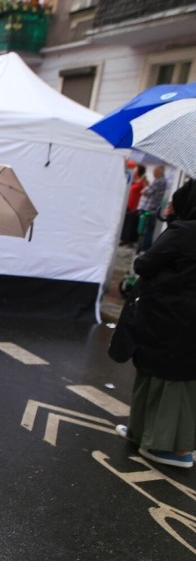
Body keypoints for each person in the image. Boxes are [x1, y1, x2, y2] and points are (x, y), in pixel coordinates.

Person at [115, 178, 196, 469]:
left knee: (157, 377)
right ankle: (161, 440)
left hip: (167, 318)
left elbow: (144, 265)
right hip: (189, 326)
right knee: (181, 383)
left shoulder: (183, 231)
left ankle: (162, 445)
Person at [136, 165, 168, 253]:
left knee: (146, 230)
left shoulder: (158, 181)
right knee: (149, 229)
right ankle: (145, 247)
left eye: (154, 171)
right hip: (154, 208)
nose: (153, 173)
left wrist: (144, 187)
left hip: (150, 208)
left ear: (158, 172)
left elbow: (146, 192)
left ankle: (144, 248)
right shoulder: (162, 181)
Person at [121, 164, 147, 247]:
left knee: (131, 224)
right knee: (126, 222)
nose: (134, 171)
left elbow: (145, 191)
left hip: (135, 205)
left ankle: (130, 241)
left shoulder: (142, 182)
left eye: (136, 170)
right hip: (128, 204)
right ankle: (124, 239)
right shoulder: (133, 180)